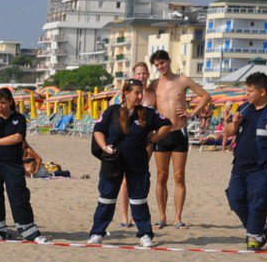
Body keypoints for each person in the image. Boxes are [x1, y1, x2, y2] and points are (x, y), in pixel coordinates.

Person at [86, 79, 168, 247]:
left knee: (138, 199)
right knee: (106, 198)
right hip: (113, 162)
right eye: (136, 92)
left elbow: (167, 124)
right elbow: (98, 131)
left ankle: (145, 234)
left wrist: (152, 138)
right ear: (126, 94)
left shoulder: (147, 113)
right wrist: (105, 147)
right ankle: (97, 232)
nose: (140, 96)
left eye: (141, 93)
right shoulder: (112, 111)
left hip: (137, 163)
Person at [223, 72, 267, 250]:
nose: (247, 95)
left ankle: (254, 236)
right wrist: (235, 123)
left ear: (262, 92)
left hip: (262, 167)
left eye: (250, 91)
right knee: (235, 198)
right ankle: (260, 228)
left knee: (258, 202)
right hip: (239, 165)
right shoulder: (244, 109)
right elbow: (229, 132)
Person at [149, 49, 212, 228]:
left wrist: (192, 113)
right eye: (157, 64)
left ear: (169, 61)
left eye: (163, 62)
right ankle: (162, 217)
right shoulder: (154, 84)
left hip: (179, 132)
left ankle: (178, 217)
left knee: (179, 176)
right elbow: (145, 102)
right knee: (161, 176)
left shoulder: (183, 80)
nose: (161, 66)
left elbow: (206, 96)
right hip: (161, 133)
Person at [0, 88, 45, 243]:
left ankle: (27, 229)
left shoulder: (19, 118)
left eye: (3, 102)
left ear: (10, 102)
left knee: (18, 195)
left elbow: (17, 137)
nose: (0, 106)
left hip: (12, 163)